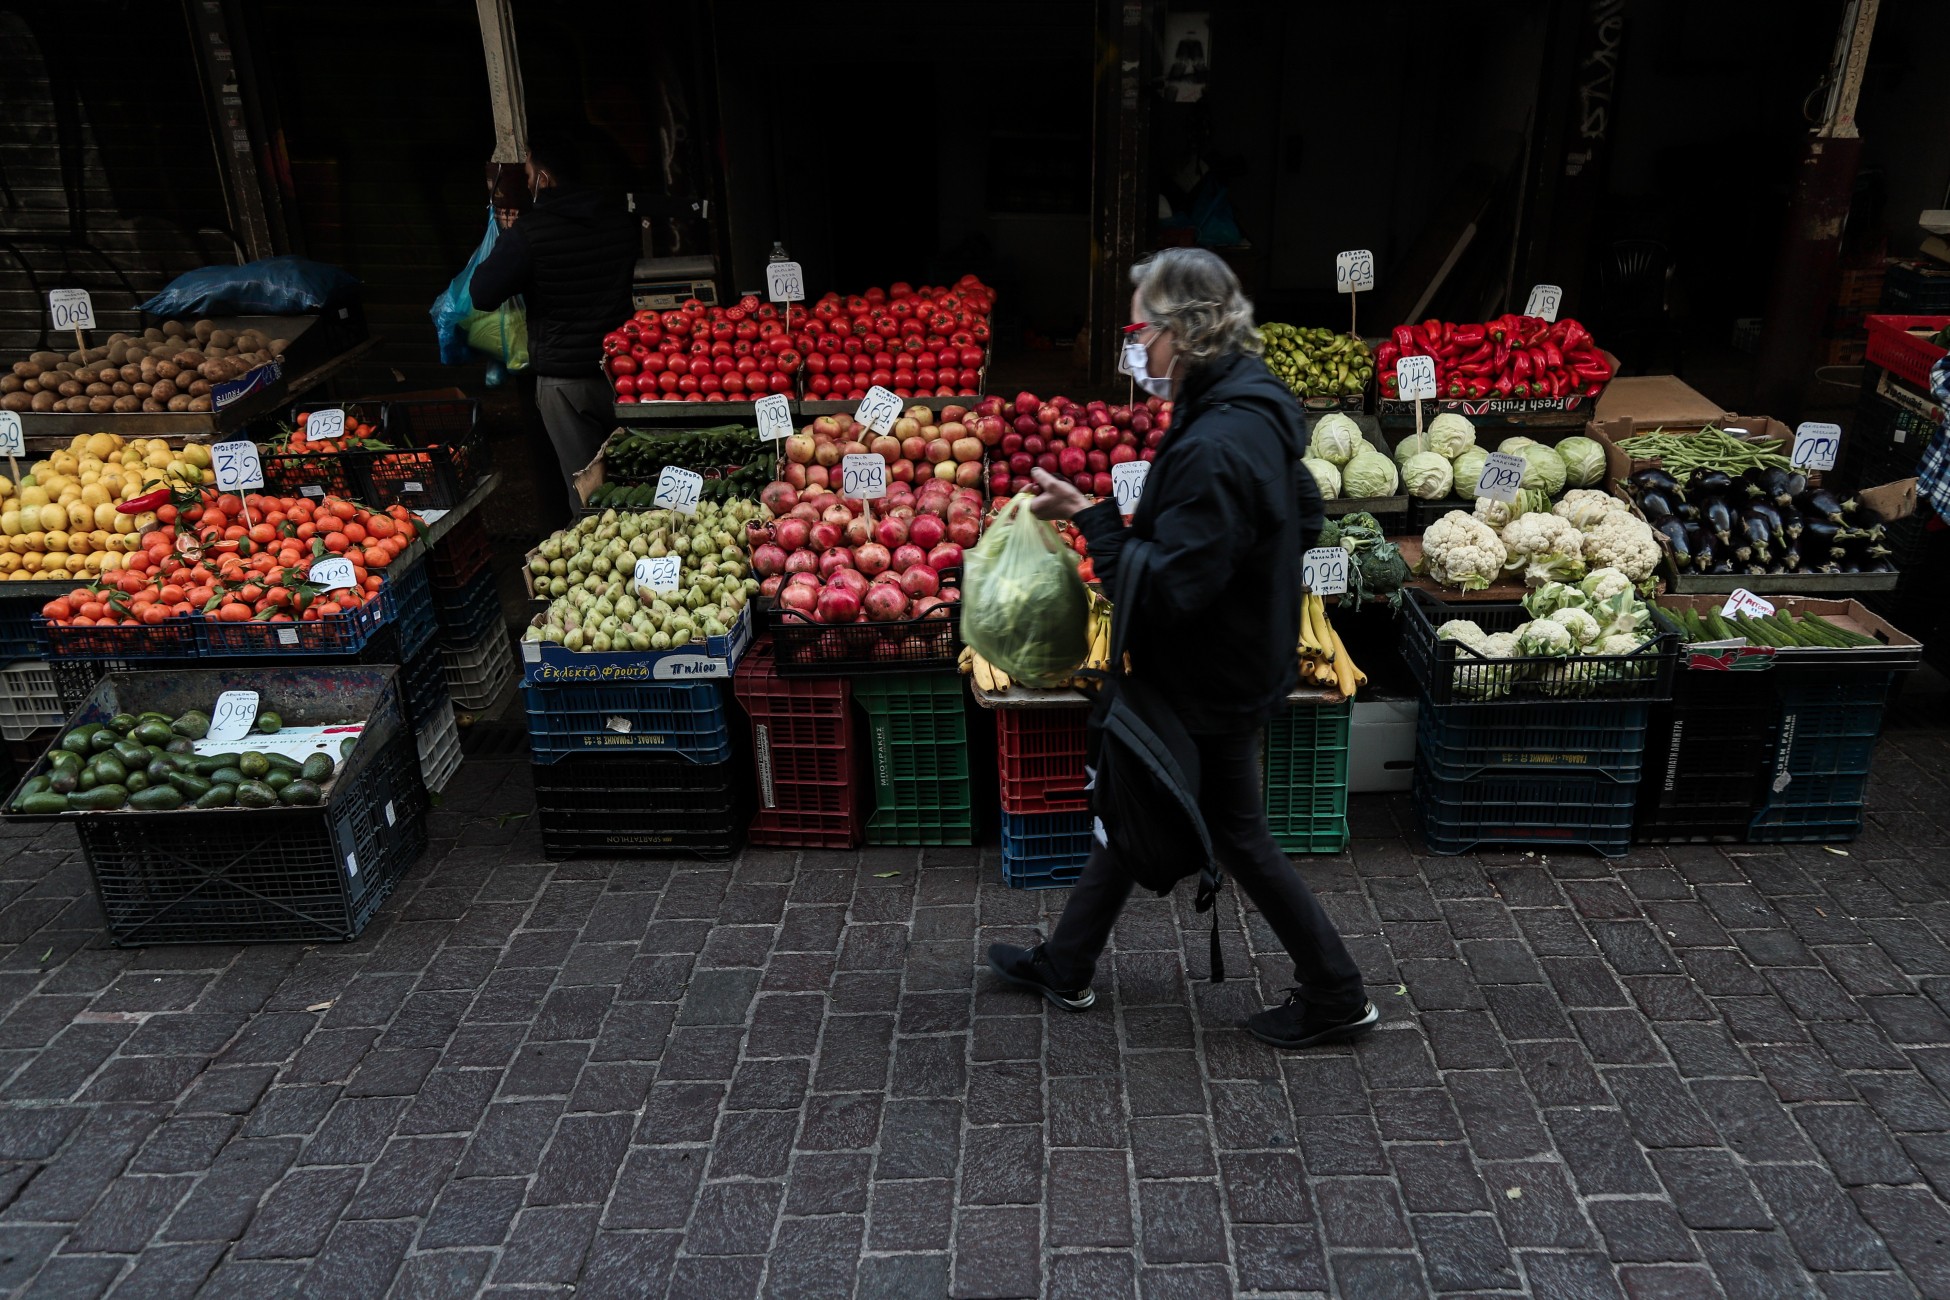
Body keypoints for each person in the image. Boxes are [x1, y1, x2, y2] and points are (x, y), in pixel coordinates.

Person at [986, 247, 1375, 1050]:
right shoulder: (1254, 398)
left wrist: (1097, 525)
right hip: (1235, 655)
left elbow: (1166, 587)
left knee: (1232, 831)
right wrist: (1252, 573)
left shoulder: (1214, 441)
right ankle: (1066, 962)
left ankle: (1336, 991)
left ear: (1185, 331)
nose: (1136, 348)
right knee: (1141, 801)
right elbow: (1302, 513)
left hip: (1209, 674)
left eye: (1141, 330)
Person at [470, 127, 637, 511]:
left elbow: (482, 292)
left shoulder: (531, 233)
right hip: (623, 372)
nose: (529, 181)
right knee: (634, 475)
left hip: (565, 382)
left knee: (586, 487)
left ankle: (598, 560)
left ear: (545, 177)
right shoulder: (616, 221)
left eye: (529, 175)